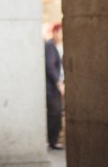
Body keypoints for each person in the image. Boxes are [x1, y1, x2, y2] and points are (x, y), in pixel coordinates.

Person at [45, 22, 65, 150]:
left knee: (57, 113)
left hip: (57, 85)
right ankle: (52, 140)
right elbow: (50, 66)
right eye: (61, 31)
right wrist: (58, 83)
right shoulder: (50, 46)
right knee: (55, 113)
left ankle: (53, 139)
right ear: (56, 32)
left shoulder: (57, 46)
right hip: (52, 88)